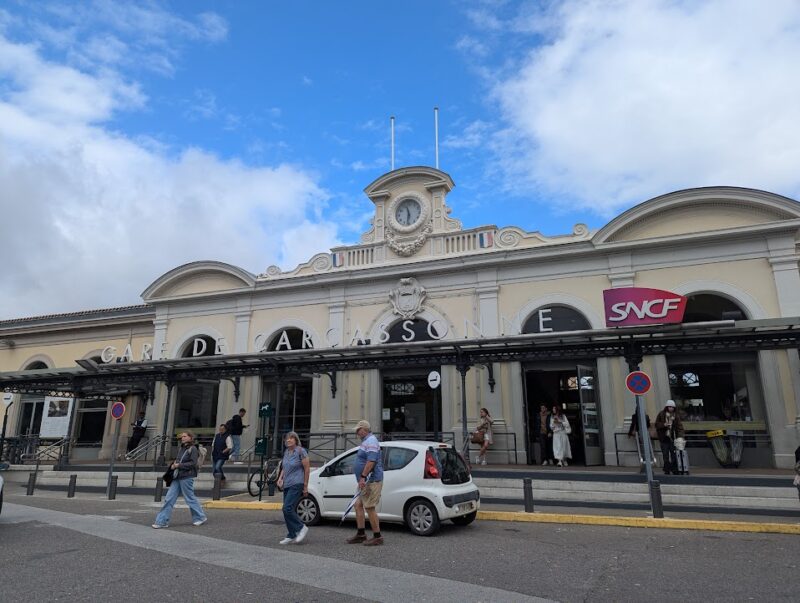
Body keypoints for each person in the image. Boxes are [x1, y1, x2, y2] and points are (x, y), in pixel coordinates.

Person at [152, 431, 208, 528]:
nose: (182, 438)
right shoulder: (182, 448)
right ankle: (161, 521)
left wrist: (179, 465)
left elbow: (193, 463)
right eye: (182, 436)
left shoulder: (193, 449)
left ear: (190, 438)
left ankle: (200, 517)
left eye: (185, 436)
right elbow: (179, 460)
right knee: (169, 499)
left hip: (187, 476)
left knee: (189, 498)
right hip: (177, 476)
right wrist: (174, 465)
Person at [346, 420, 384, 546]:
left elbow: (371, 461)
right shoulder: (366, 441)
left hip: (370, 480)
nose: (357, 432)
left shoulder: (371, 441)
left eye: (358, 430)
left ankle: (377, 536)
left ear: (365, 429)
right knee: (358, 505)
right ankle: (361, 534)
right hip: (365, 481)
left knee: (369, 507)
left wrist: (362, 476)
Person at [276, 431, 311, 544]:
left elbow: (307, 469)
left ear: (296, 440)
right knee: (286, 510)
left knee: (287, 508)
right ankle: (291, 534)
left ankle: (301, 527)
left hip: (297, 483)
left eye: (291, 438)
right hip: (287, 483)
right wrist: (280, 478)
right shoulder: (287, 452)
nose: (288, 440)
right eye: (287, 438)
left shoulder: (301, 451)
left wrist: (305, 486)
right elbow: (284, 467)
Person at [655, 399, 685, 475]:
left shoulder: (676, 416)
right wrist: (664, 425)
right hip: (664, 438)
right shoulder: (661, 414)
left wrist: (680, 437)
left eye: (672, 407)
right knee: (665, 455)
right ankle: (667, 469)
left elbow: (679, 427)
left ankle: (674, 469)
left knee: (674, 454)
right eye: (669, 407)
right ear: (667, 407)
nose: (671, 408)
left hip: (673, 438)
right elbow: (656, 424)